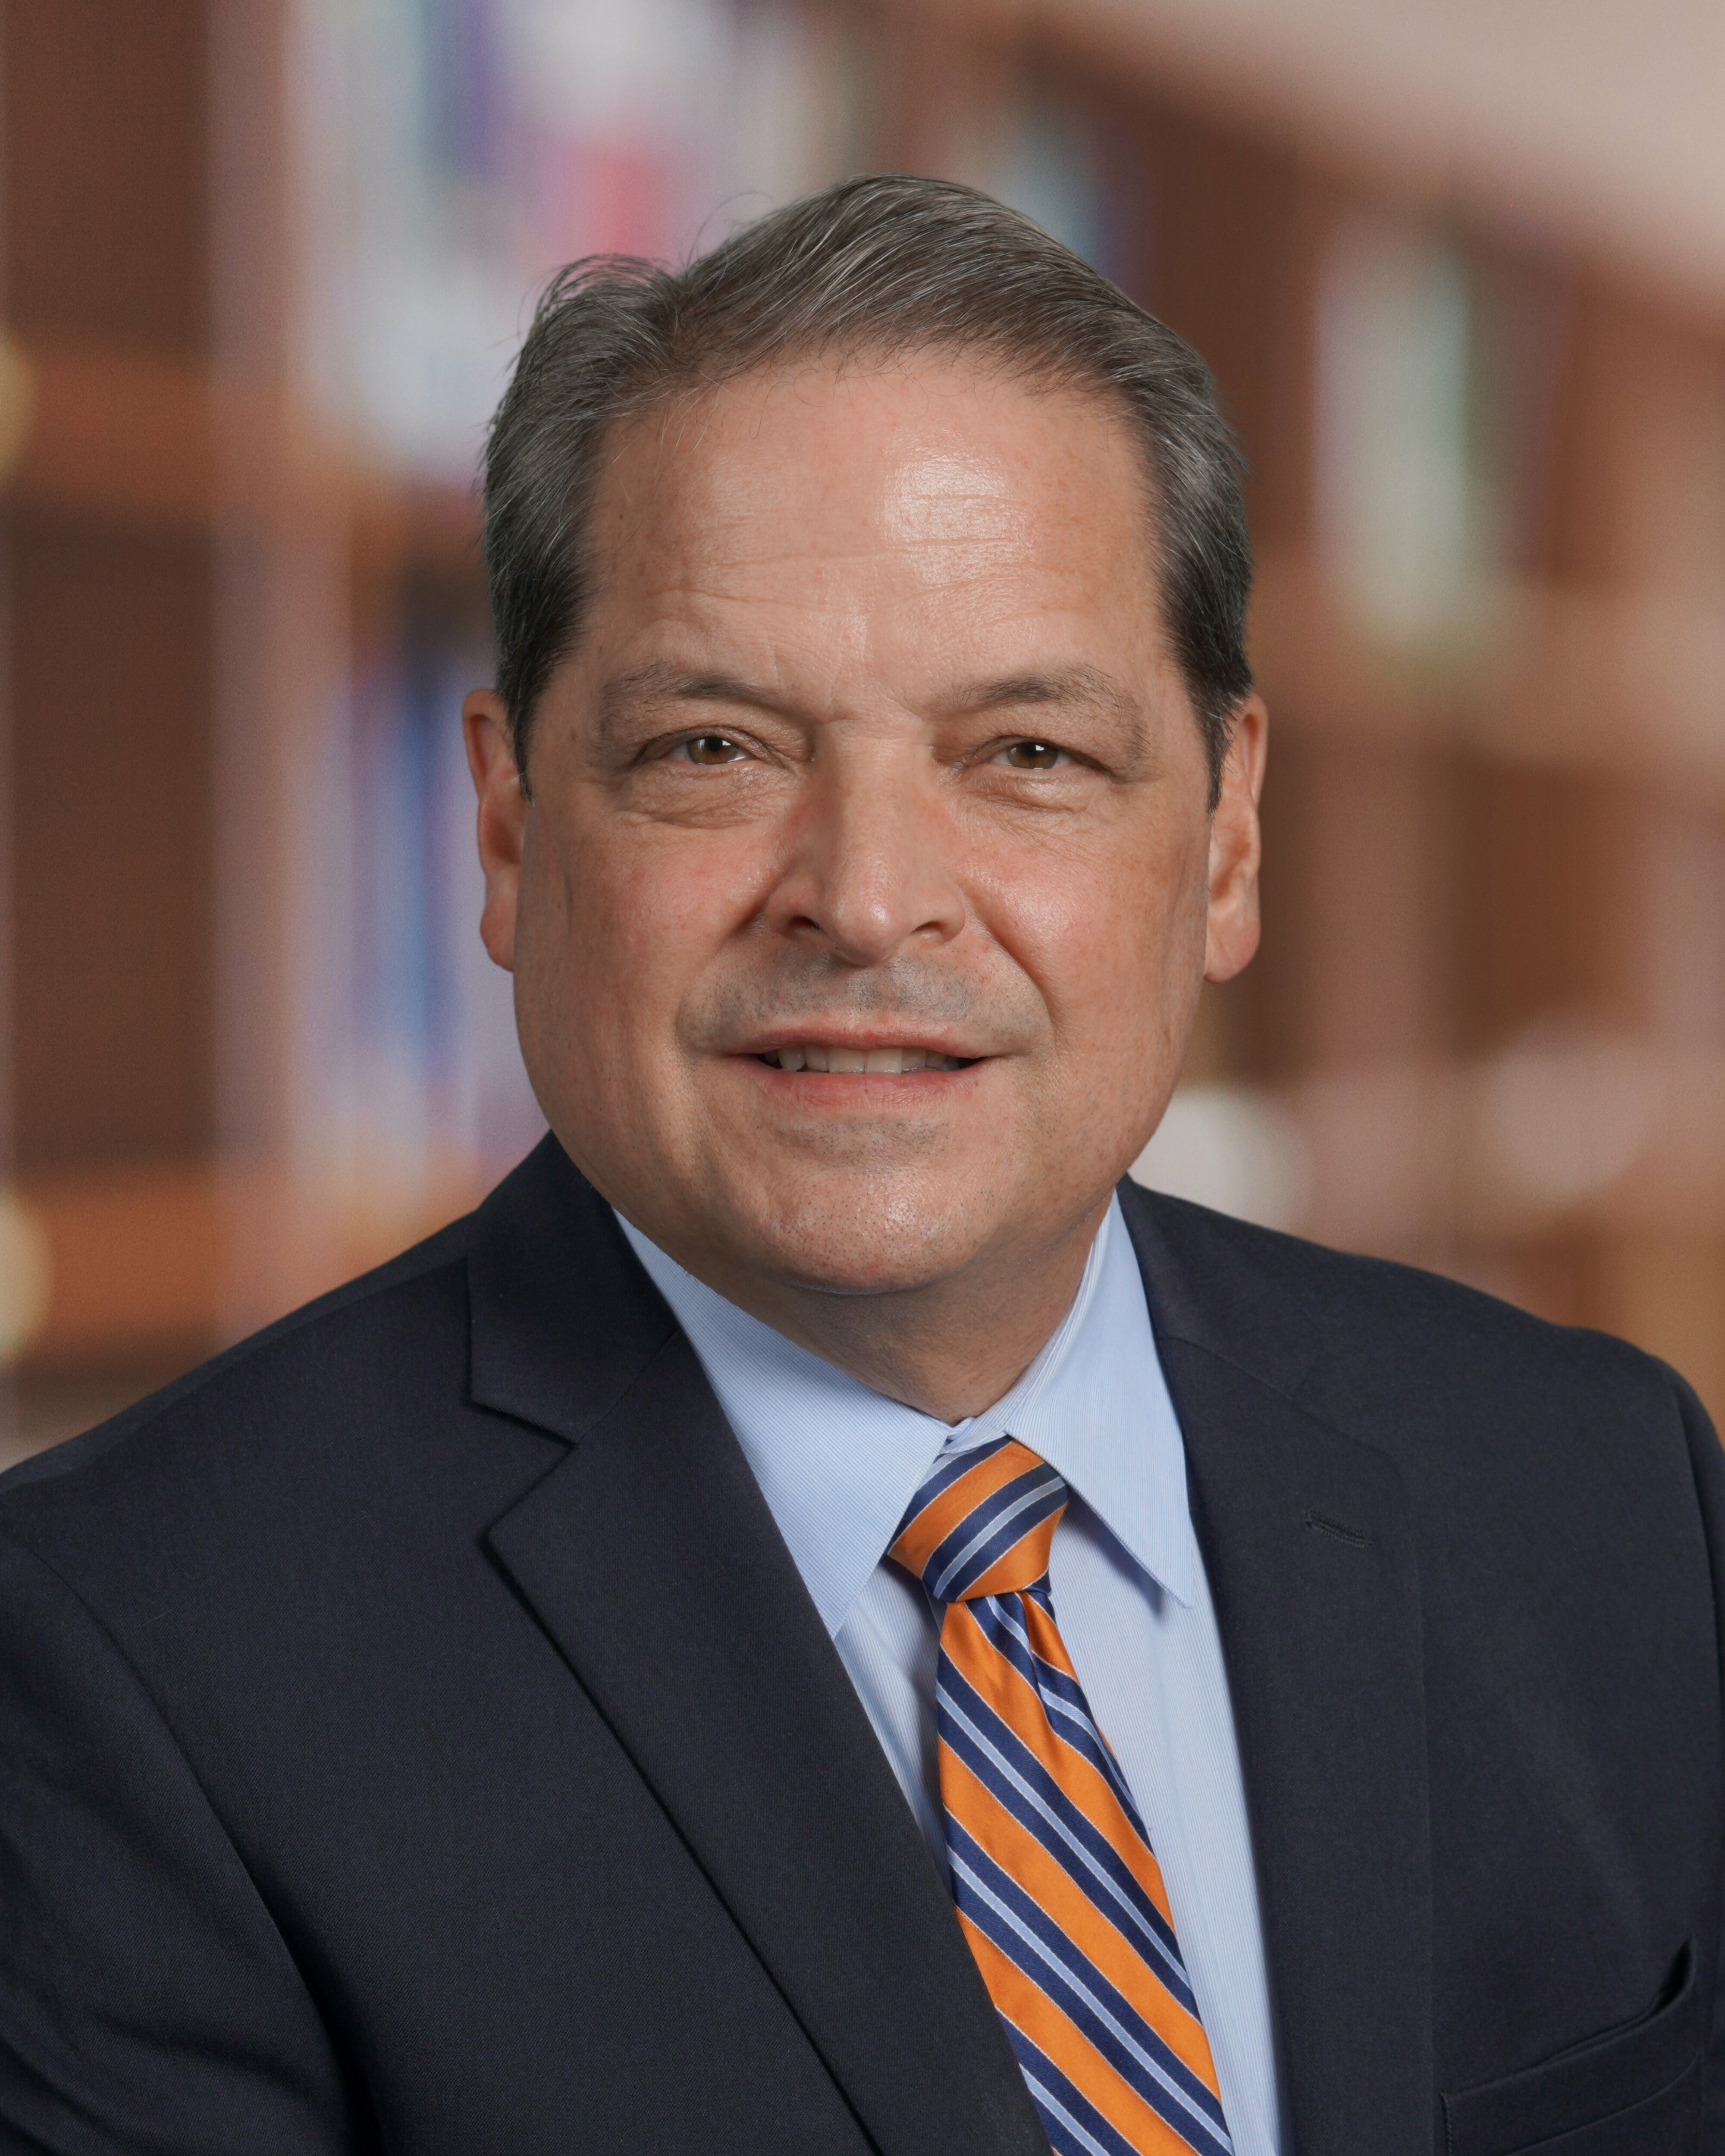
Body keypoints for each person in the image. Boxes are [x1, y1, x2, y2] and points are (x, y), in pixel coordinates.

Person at [1, 175, 1720, 2156]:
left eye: (1027, 755)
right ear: (504, 829)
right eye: (715, 749)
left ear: (1229, 841)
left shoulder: (1605, 1502)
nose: (868, 898)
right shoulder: (130, 1661)